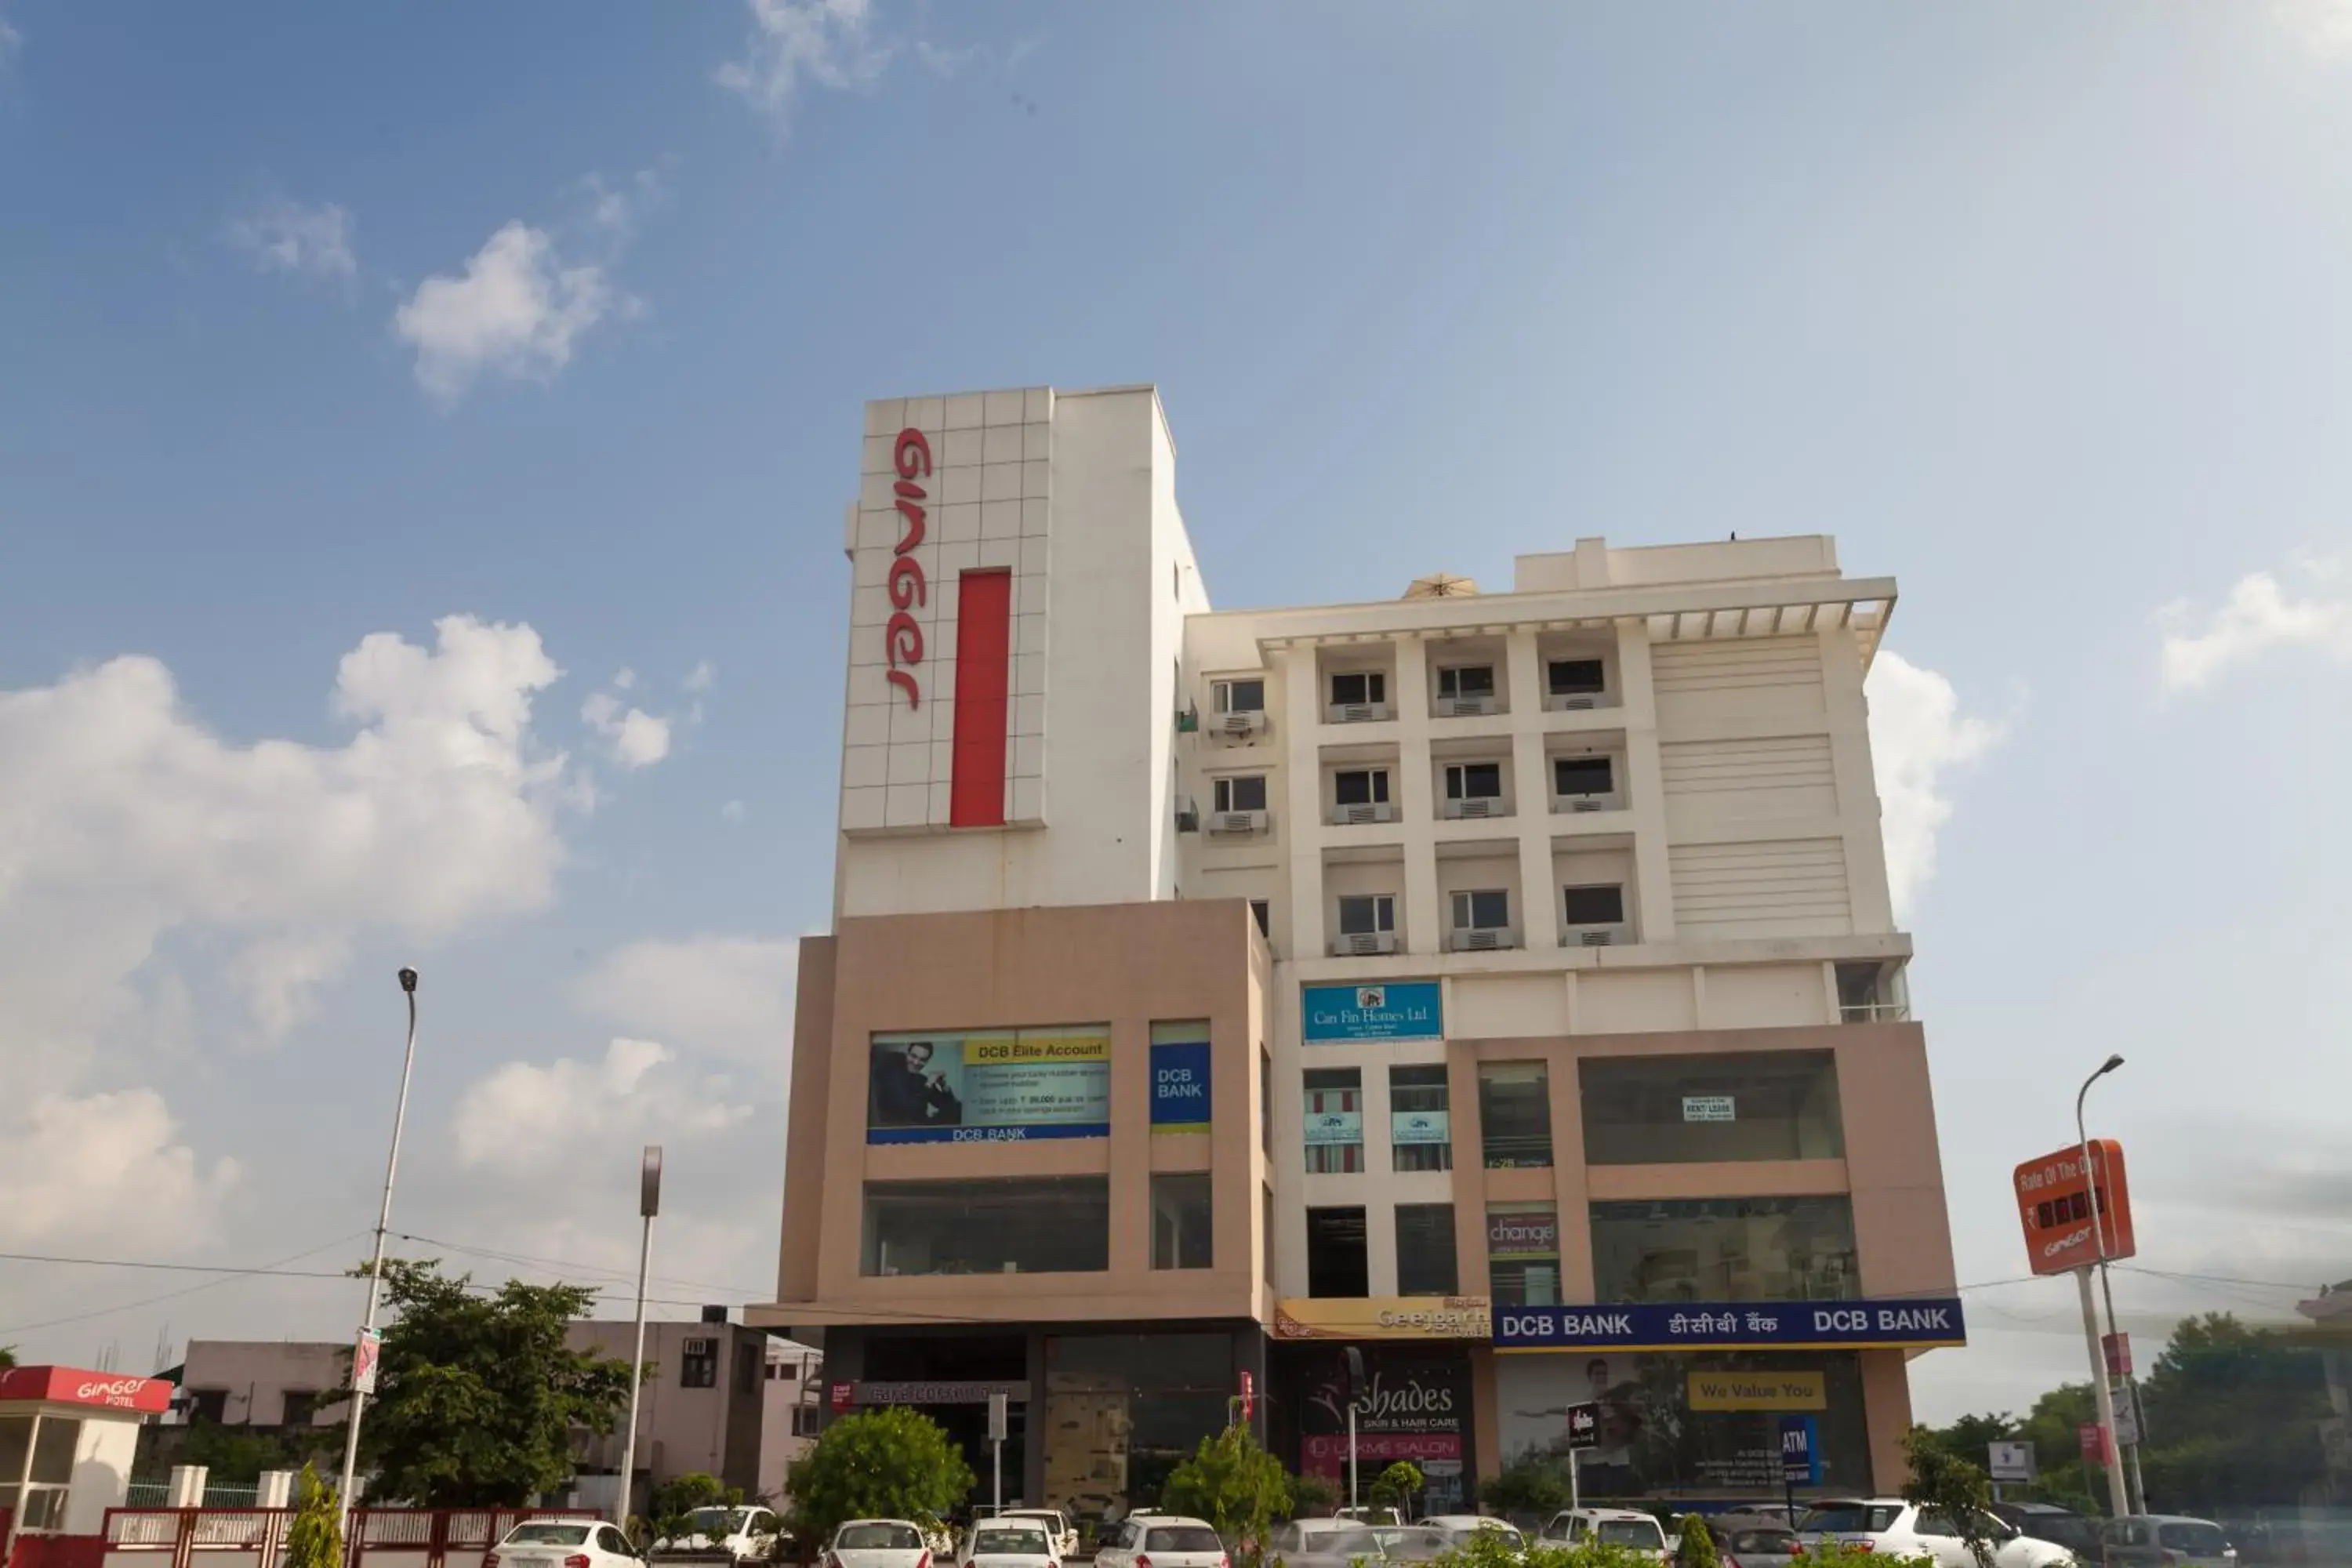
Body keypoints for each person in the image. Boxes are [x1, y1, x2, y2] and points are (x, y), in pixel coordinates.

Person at [872, 1039, 964, 1127]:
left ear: (927, 1061)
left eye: (922, 1060)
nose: (916, 1062)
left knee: (958, 1110)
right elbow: (908, 1109)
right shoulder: (893, 1073)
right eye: (913, 1056)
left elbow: (947, 1106)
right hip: (900, 1129)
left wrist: (944, 1087)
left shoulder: (921, 1080)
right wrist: (928, 1085)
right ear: (907, 1053)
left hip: (922, 1128)